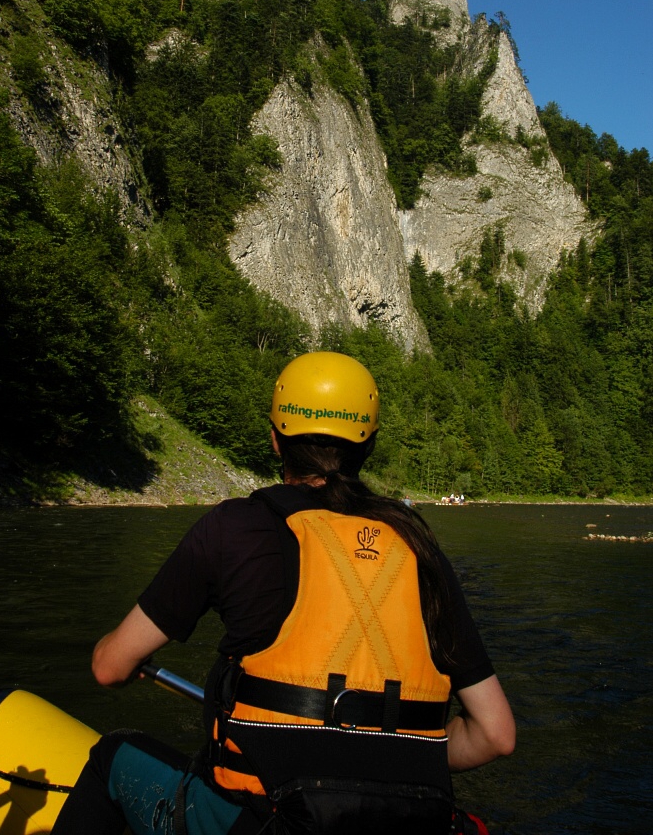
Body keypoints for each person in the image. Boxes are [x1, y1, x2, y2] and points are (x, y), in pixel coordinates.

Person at [54, 351, 514, 835]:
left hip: (270, 821)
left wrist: (114, 656)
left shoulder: (233, 528)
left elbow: (110, 667)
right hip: (410, 822)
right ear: (370, 446)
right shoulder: (419, 550)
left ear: (276, 440)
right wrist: (400, 756)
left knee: (112, 757)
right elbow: (495, 735)